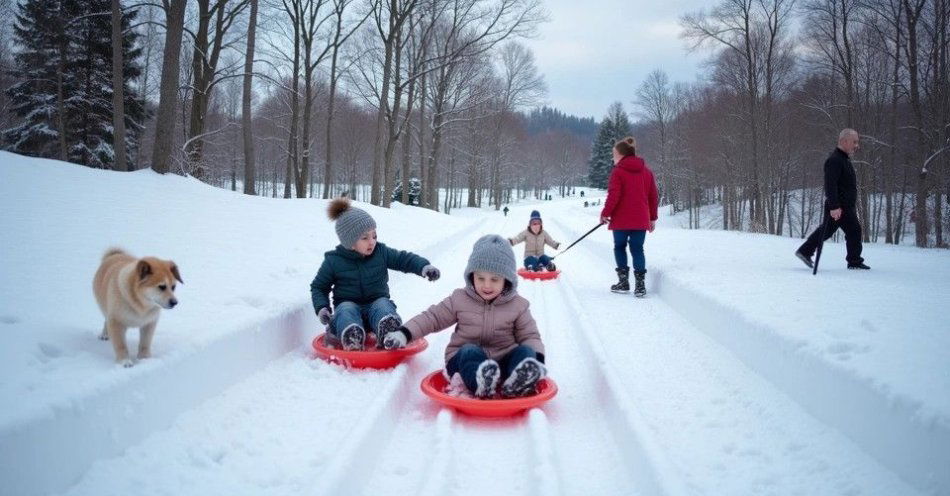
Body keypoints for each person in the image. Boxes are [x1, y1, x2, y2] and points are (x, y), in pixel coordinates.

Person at [382, 235, 547, 399]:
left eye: (494, 279)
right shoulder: (460, 299)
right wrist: (404, 333)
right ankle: (480, 382)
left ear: (507, 280)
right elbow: (432, 317)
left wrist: (536, 359)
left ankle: (521, 379)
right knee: (469, 350)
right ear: (471, 275)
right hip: (463, 361)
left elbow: (530, 336)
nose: (486, 285)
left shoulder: (518, 305)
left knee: (525, 350)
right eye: (480, 278)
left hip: (503, 362)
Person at [310, 198, 441, 350]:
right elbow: (319, 287)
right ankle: (351, 335)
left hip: (375, 306)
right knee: (345, 309)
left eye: (374, 235)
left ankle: (388, 330)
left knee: (383, 304)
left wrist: (424, 267)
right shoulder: (334, 261)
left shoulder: (381, 252)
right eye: (365, 238)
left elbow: (403, 259)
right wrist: (322, 308)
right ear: (349, 242)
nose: (372, 241)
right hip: (349, 307)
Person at [795, 129, 870, 270]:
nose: (856, 145)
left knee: (829, 230)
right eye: (854, 142)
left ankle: (805, 251)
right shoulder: (835, 160)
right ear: (844, 141)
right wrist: (835, 206)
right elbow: (830, 184)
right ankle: (854, 261)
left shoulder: (843, 159)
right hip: (840, 206)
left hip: (843, 205)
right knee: (854, 230)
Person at [600, 137, 658, 297]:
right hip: (640, 220)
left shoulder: (618, 172)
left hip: (621, 220)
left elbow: (614, 195)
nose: (613, 158)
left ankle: (624, 282)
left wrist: (605, 213)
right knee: (637, 248)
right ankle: (640, 286)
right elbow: (653, 196)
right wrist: (652, 217)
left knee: (620, 247)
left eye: (614, 155)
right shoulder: (647, 172)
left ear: (621, 155)